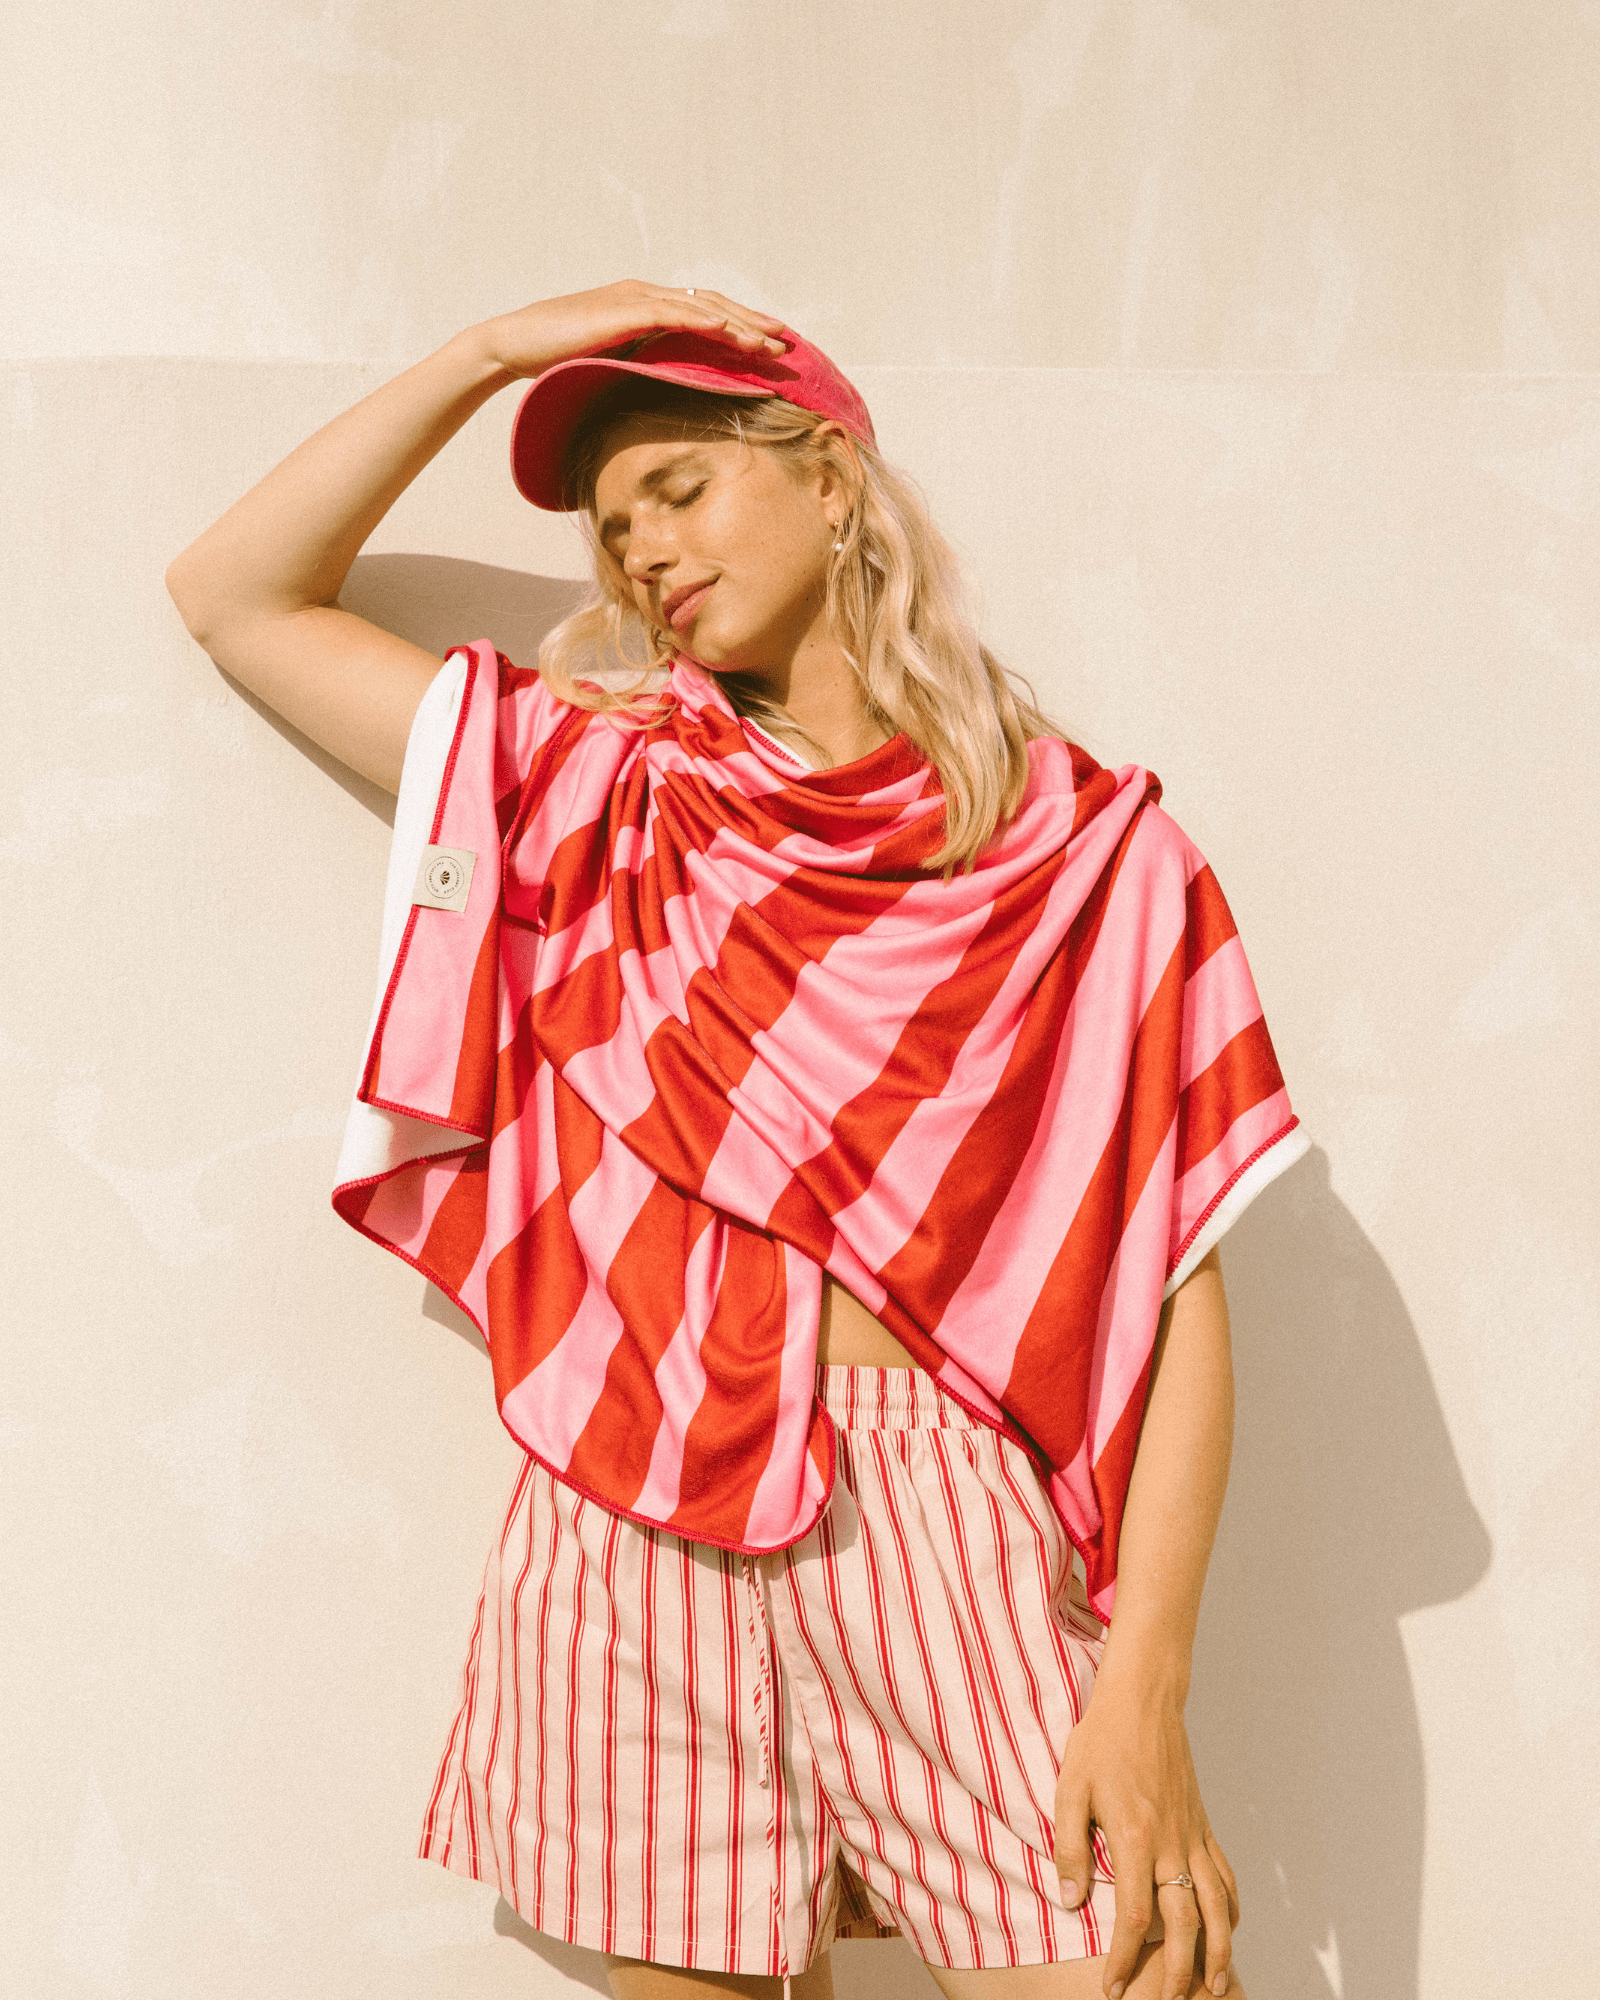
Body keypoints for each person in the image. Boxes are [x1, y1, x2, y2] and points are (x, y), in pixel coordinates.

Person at [166, 281, 1307, 2000]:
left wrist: (1145, 1684)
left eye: (679, 489)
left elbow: (1177, 1289)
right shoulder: (598, 785)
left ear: (829, 481)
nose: (642, 552)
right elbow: (235, 594)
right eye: (613, 529)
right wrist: (494, 351)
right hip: (631, 1514)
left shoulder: (1088, 857)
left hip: (942, 1522)